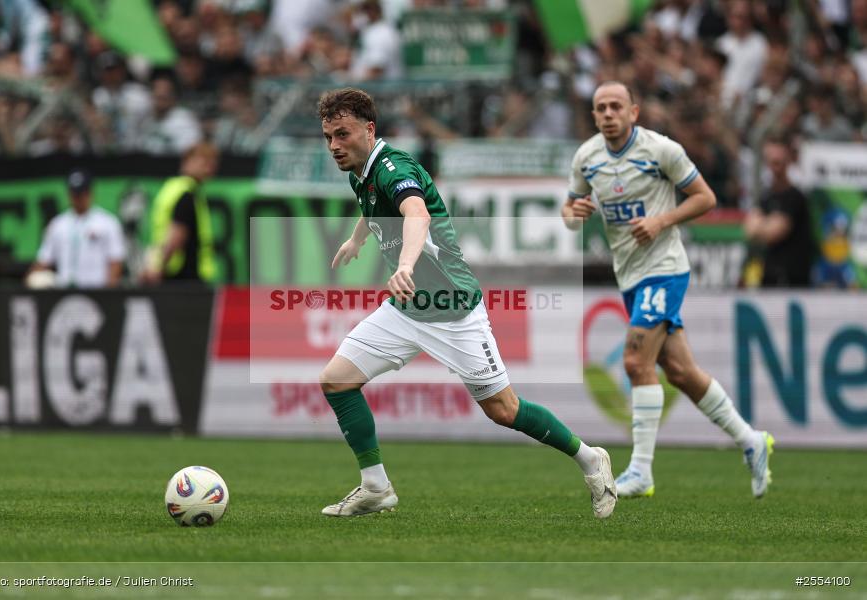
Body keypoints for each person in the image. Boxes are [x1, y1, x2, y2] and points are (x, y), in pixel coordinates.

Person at [315, 88, 617, 519]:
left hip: (452, 308)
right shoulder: (359, 171)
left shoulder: (392, 167)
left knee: (504, 410)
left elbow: (415, 214)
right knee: (336, 380)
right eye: (328, 137)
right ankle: (376, 487)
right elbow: (375, 209)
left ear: (369, 129)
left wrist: (404, 264)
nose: (334, 146)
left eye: (342, 134)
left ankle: (590, 459)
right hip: (406, 310)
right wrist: (357, 239)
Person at [561, 81, 773, 499]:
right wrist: (575, 212)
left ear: (633, 112)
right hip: (631, 277)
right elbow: (569, 212)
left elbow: (705, 198)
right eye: (600, 107)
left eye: (616, 106)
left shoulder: (661, 150)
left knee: (635, 360)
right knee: (680, 372)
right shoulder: (586, 157)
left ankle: (640, 470)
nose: (608, 114)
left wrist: (661, 221)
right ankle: (751, 440)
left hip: (665, 269)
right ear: (593, 115)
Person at [28, 169, 125, 288]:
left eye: (82, 193)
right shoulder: (57, 224)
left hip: (96, 290)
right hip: (63, 291)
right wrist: (30, 278)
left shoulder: (108, 223)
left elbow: (115, 261)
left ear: (90, 193)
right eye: (74, 194)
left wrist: (108, 293)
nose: (78, 198)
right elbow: (44, 259)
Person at [743, 138, 815, 287]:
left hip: (792, 279)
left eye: (778, 162)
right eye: (771, 162)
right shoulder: (766, 196)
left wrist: (762, 225)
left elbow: (775, 232)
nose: (774, 168)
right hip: (770, 276)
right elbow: (749, 230)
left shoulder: (795, 197)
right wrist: (765, 225)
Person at [144, 142, 218, 285]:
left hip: (172, 273)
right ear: (186, 161)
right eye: (204, 161)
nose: (209, 166)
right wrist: (158, 268)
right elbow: (176, 234)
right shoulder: (187, 194)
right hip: (183, 278)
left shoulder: (172, 188)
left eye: (213, 162)